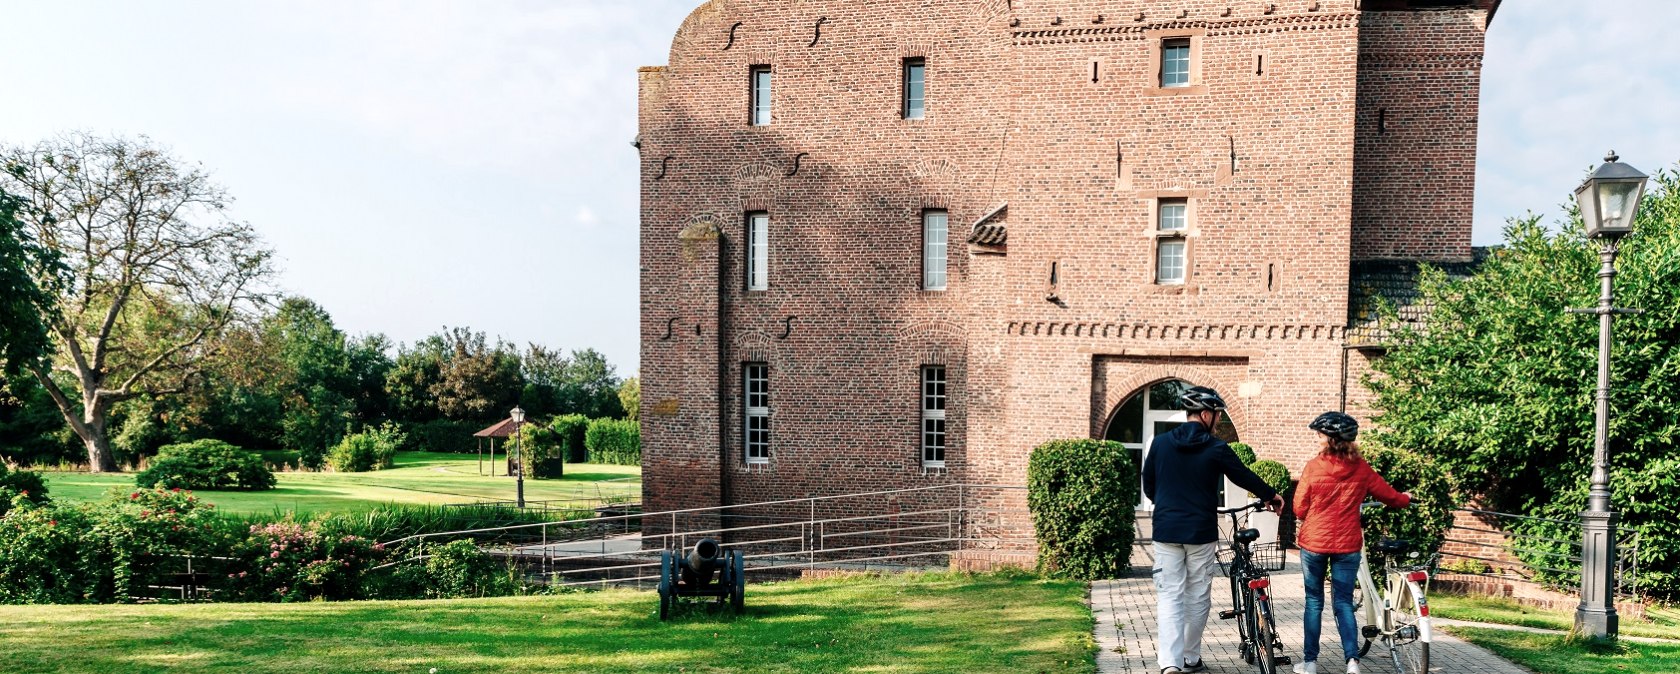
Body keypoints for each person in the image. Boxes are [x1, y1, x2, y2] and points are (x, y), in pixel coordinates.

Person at [1143, 386, 1284, 674]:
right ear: (1205, 414)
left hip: (1167, 531)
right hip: (1200, 532)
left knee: (1170, 596)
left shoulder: (1160, 444)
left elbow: (1148, 485)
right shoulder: (1216, 448)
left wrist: (1169, 506)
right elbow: (1243, 475)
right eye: (1217, 415)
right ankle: (1190, 658)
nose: (1218, 421)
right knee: (1197, 596)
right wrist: (1271, 496)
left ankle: (1169, 664)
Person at [1292, 411, 1412, 674]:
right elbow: (1390, 496)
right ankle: (1352, 662)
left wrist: (1315, 512)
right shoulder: (1362, 469)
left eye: (1320, 435)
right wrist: (1405, 498)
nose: (1318, 438)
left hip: (1315, 544)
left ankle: (1310, 663)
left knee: (1314, 601)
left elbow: (1299, 508)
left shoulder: (1313, 467)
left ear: (1329, 440)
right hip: (1348, 546)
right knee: (1343, 603)